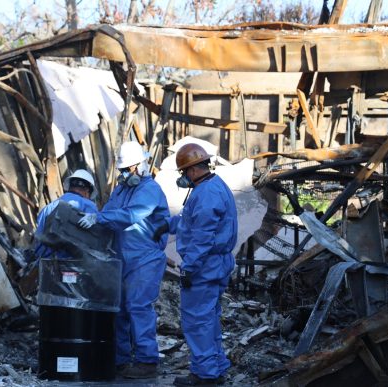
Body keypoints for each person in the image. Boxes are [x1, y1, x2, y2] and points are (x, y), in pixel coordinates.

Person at [77, 141, 170, 379]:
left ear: (141, 166)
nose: (124, 173)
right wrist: (96, 220)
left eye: (128, 169)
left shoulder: (150, 190)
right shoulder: (121, 190)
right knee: (119, 311)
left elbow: (130, 215)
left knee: (138, 308)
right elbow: (109, 212)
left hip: (144, 259)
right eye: (122, 169)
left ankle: (147, 361)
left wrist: (98, 219)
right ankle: (120, 360)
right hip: (122, 259)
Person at [162, 143, 237, 386]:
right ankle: (216, 368)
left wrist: (189, 268)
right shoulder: (212, 187)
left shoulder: (206, 194)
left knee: (197, 322)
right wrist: (166, 224)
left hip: (204, 267)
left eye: (184, 173)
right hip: (215, 264)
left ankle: (205, 375)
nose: (183, 177)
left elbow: (202, 237)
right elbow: (190, 222)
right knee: (209, 320)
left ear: (193, 170)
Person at [32, 169, 98, 259]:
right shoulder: (88, 205)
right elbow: (95, 237)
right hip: (70, 263)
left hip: (43, 261)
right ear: (87, 191)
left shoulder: (47, 208)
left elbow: (38, 235)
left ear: (70, 187)